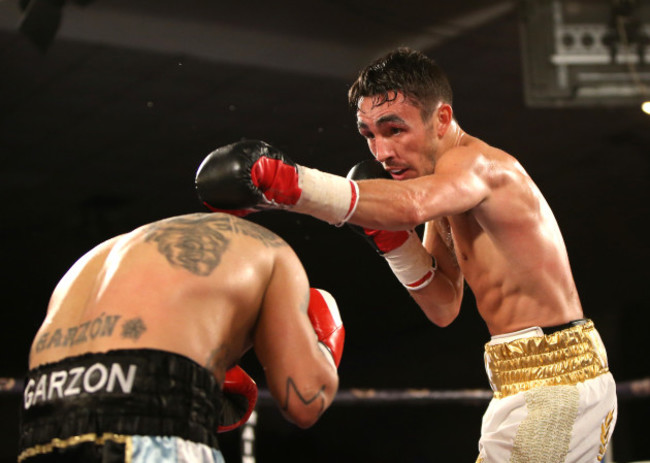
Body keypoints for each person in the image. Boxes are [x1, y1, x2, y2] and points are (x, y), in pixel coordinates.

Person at [194, 47, 617, 462]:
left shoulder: (480, 165)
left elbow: (410, 205)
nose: (381, 152)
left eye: (394, 130)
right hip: (518, 381)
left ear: (442, 119)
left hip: (559, 378)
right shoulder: (446, 195)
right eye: (370, 135)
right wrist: (393, 242)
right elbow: (443, 304)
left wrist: (286, 184)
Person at [18, 212, 345, 462]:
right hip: (149, 423)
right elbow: (304, 399)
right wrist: (324, 348)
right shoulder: (276, 254)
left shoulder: (101, 256)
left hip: (39, 426)